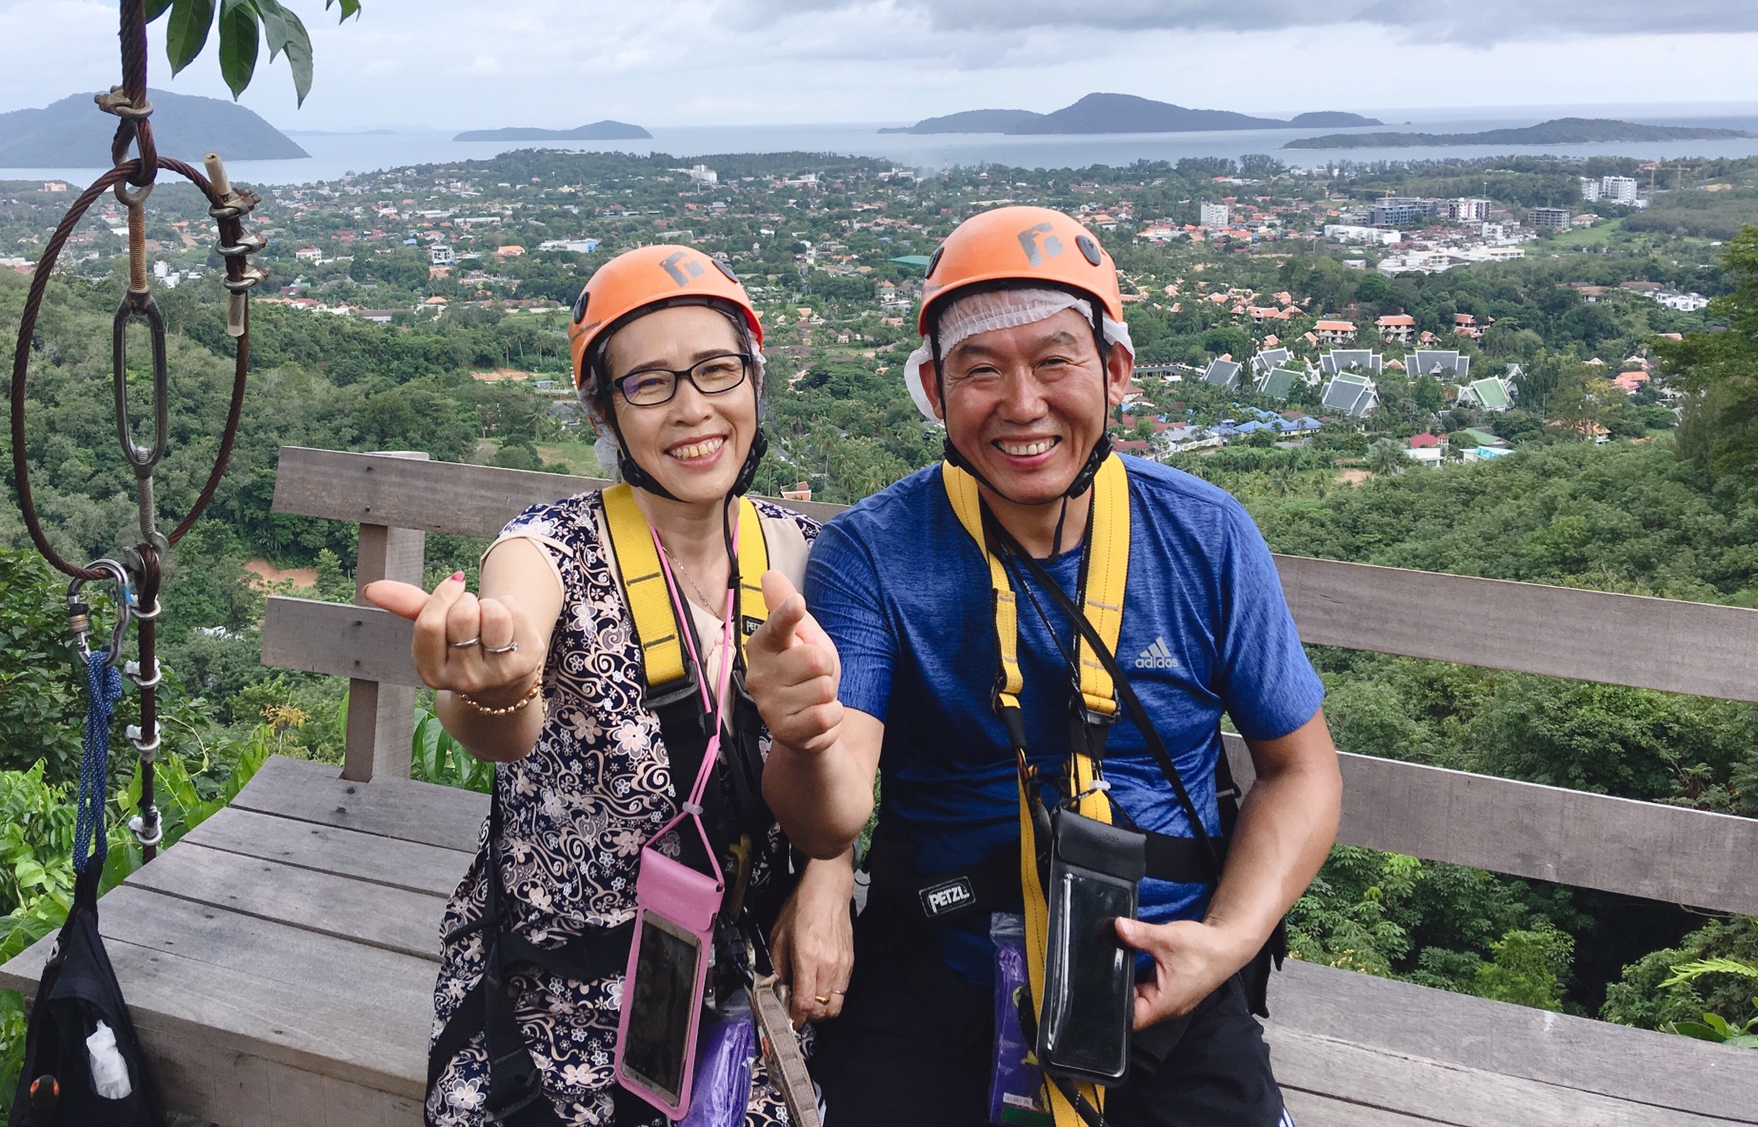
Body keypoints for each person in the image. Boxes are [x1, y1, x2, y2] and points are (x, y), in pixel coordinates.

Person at [744, 206, 1343, 1127]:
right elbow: (834, 810)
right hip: (943, 978)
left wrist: (1227, 942)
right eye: (980, 371)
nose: (1022, 405)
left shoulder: (1204, 535)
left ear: (1115, 372)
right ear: (935, 394)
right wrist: (799, 734)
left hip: (1167, 982)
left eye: (1055, 361)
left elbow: (1300, 769)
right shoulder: (875, 554)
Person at [366, 245, 854, 1127]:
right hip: (557, 992)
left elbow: (834, 779)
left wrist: (828, 871)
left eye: (716, 371)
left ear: (754, 379)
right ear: (604, 408)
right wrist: (491, 681)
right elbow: (504, 692)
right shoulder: (548, 548)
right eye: (651, 384)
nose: (694, 409)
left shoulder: (801, 555)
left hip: (741, 989)